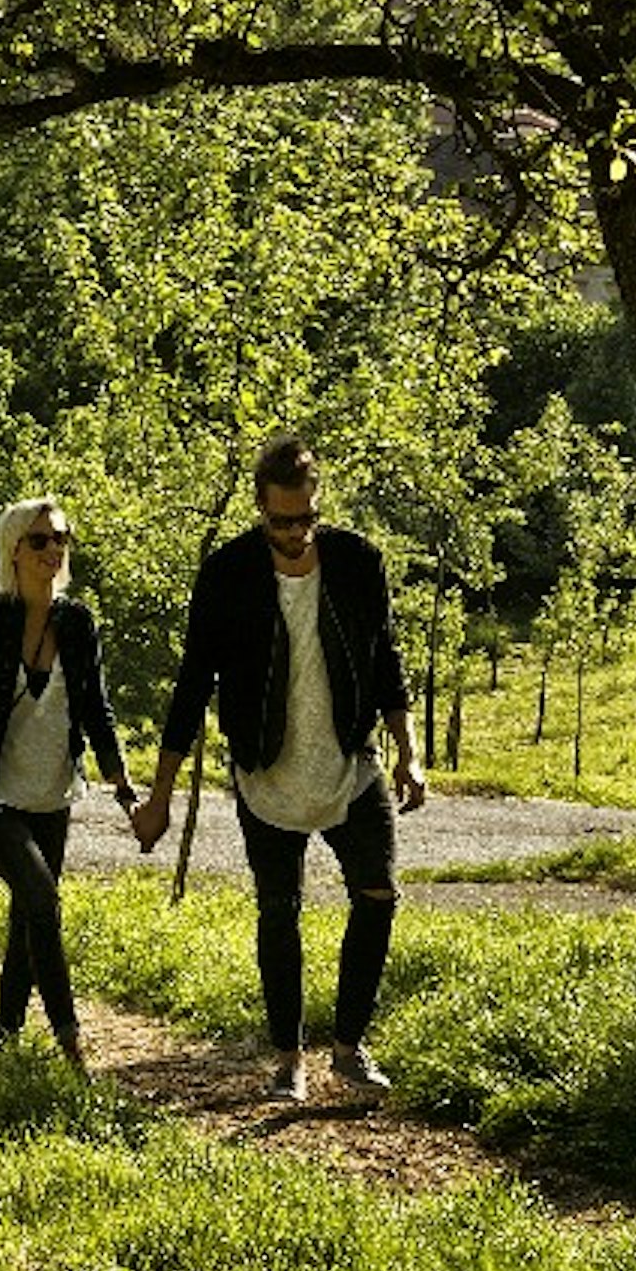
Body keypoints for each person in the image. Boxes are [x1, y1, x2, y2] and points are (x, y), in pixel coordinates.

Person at [130, 436, 427, 1106]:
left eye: (307, 519)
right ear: (259, 509)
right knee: (278, 910)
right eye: (281, 521)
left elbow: (386, 660)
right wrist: (159, 798)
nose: (296, 533)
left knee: (378, 895)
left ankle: (348, 1050)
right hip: (266, 770)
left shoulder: (357, 561)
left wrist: (407, 749)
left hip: (350, 764)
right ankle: (289, 1059)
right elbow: (190, 687)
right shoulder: (228, 572)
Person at [0, 495, 137, 1070]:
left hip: (54, 793)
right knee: (43, 901)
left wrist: (124, 784)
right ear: (13, 549)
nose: (53, 549)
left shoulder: (77, 623)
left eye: (61, 539)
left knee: (28, 915)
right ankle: (70, 1039)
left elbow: (97, 708)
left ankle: (5, 1039)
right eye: (40, 540)